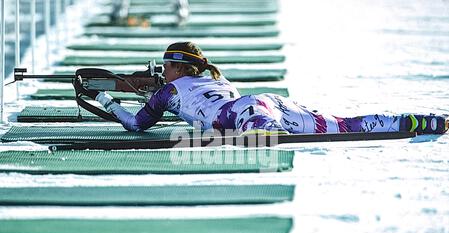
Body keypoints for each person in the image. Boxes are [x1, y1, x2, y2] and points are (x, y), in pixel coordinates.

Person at [74, 42, 449, 136]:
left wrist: (105, 98)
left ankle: (267, 134)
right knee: (346, 125)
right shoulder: (215, 78)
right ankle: (417, 121)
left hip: (240, 115)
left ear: (175, 68)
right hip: (263, 101)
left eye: (165, 65)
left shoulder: (168, 93)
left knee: (264, 137)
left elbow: (136, 124)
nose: (162, 71)